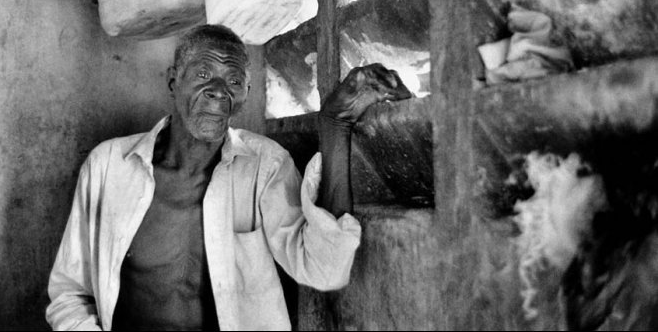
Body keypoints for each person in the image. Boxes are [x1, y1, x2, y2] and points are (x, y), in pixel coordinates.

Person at [45, 25, 411, 331]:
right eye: (203, 74)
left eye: (234, 80)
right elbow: (69, 293)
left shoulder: (265, 166)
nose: (219, 91)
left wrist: (335, 125)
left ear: (246, 95)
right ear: (174, 81)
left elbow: (325, 269)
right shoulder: (108, 166)